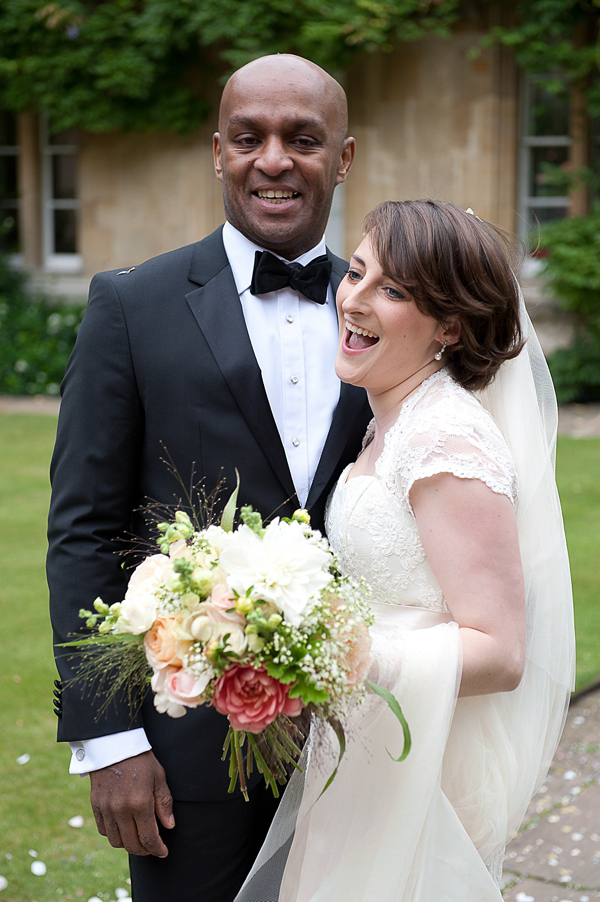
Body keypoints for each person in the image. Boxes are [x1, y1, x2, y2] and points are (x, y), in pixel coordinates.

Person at [47, 54, 371, 902]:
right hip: (188, 748)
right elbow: (84, 527)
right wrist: (108, 740)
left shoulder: (387, 311)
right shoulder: (131, 305)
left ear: (342, 158)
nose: (273, 160)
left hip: (368, 740)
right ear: (216, 151)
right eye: (247, 137)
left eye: (303, 139)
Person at [233, 200, 575, 901]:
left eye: (391, 290)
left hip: (419, 763)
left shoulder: (445, 439)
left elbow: (502, 650)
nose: (352, 299)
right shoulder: (389, 421)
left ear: (450, 325)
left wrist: (333, 658)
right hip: (369, 747)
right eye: (355, 272)